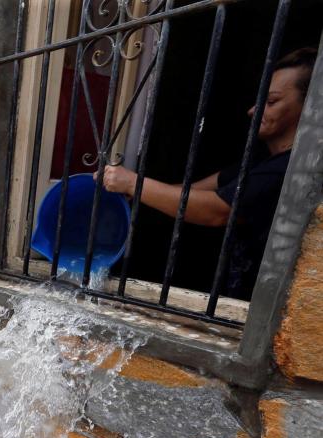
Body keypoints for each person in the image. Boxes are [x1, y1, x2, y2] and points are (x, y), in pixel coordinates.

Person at [99, 48, 316, 299]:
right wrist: (135, 192)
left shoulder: (288, 169)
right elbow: (196, 191)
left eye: (271, 102)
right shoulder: (261, 160)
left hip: (262, 304)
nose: (253, 111)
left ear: (309, 107)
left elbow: (218, 211)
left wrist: (132, 183)